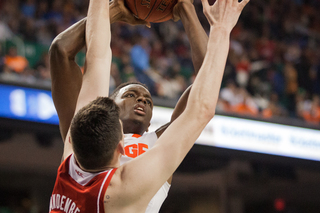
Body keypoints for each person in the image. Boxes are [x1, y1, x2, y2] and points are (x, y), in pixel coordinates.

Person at [49, 0, 249, 211]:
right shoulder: (122, 187)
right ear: (120, 147)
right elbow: (201, 105)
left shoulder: (73, 150)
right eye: (130, 94)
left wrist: (115, 9)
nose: (142, 100)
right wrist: (219, 27)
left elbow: (97, 56)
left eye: (148, 100)